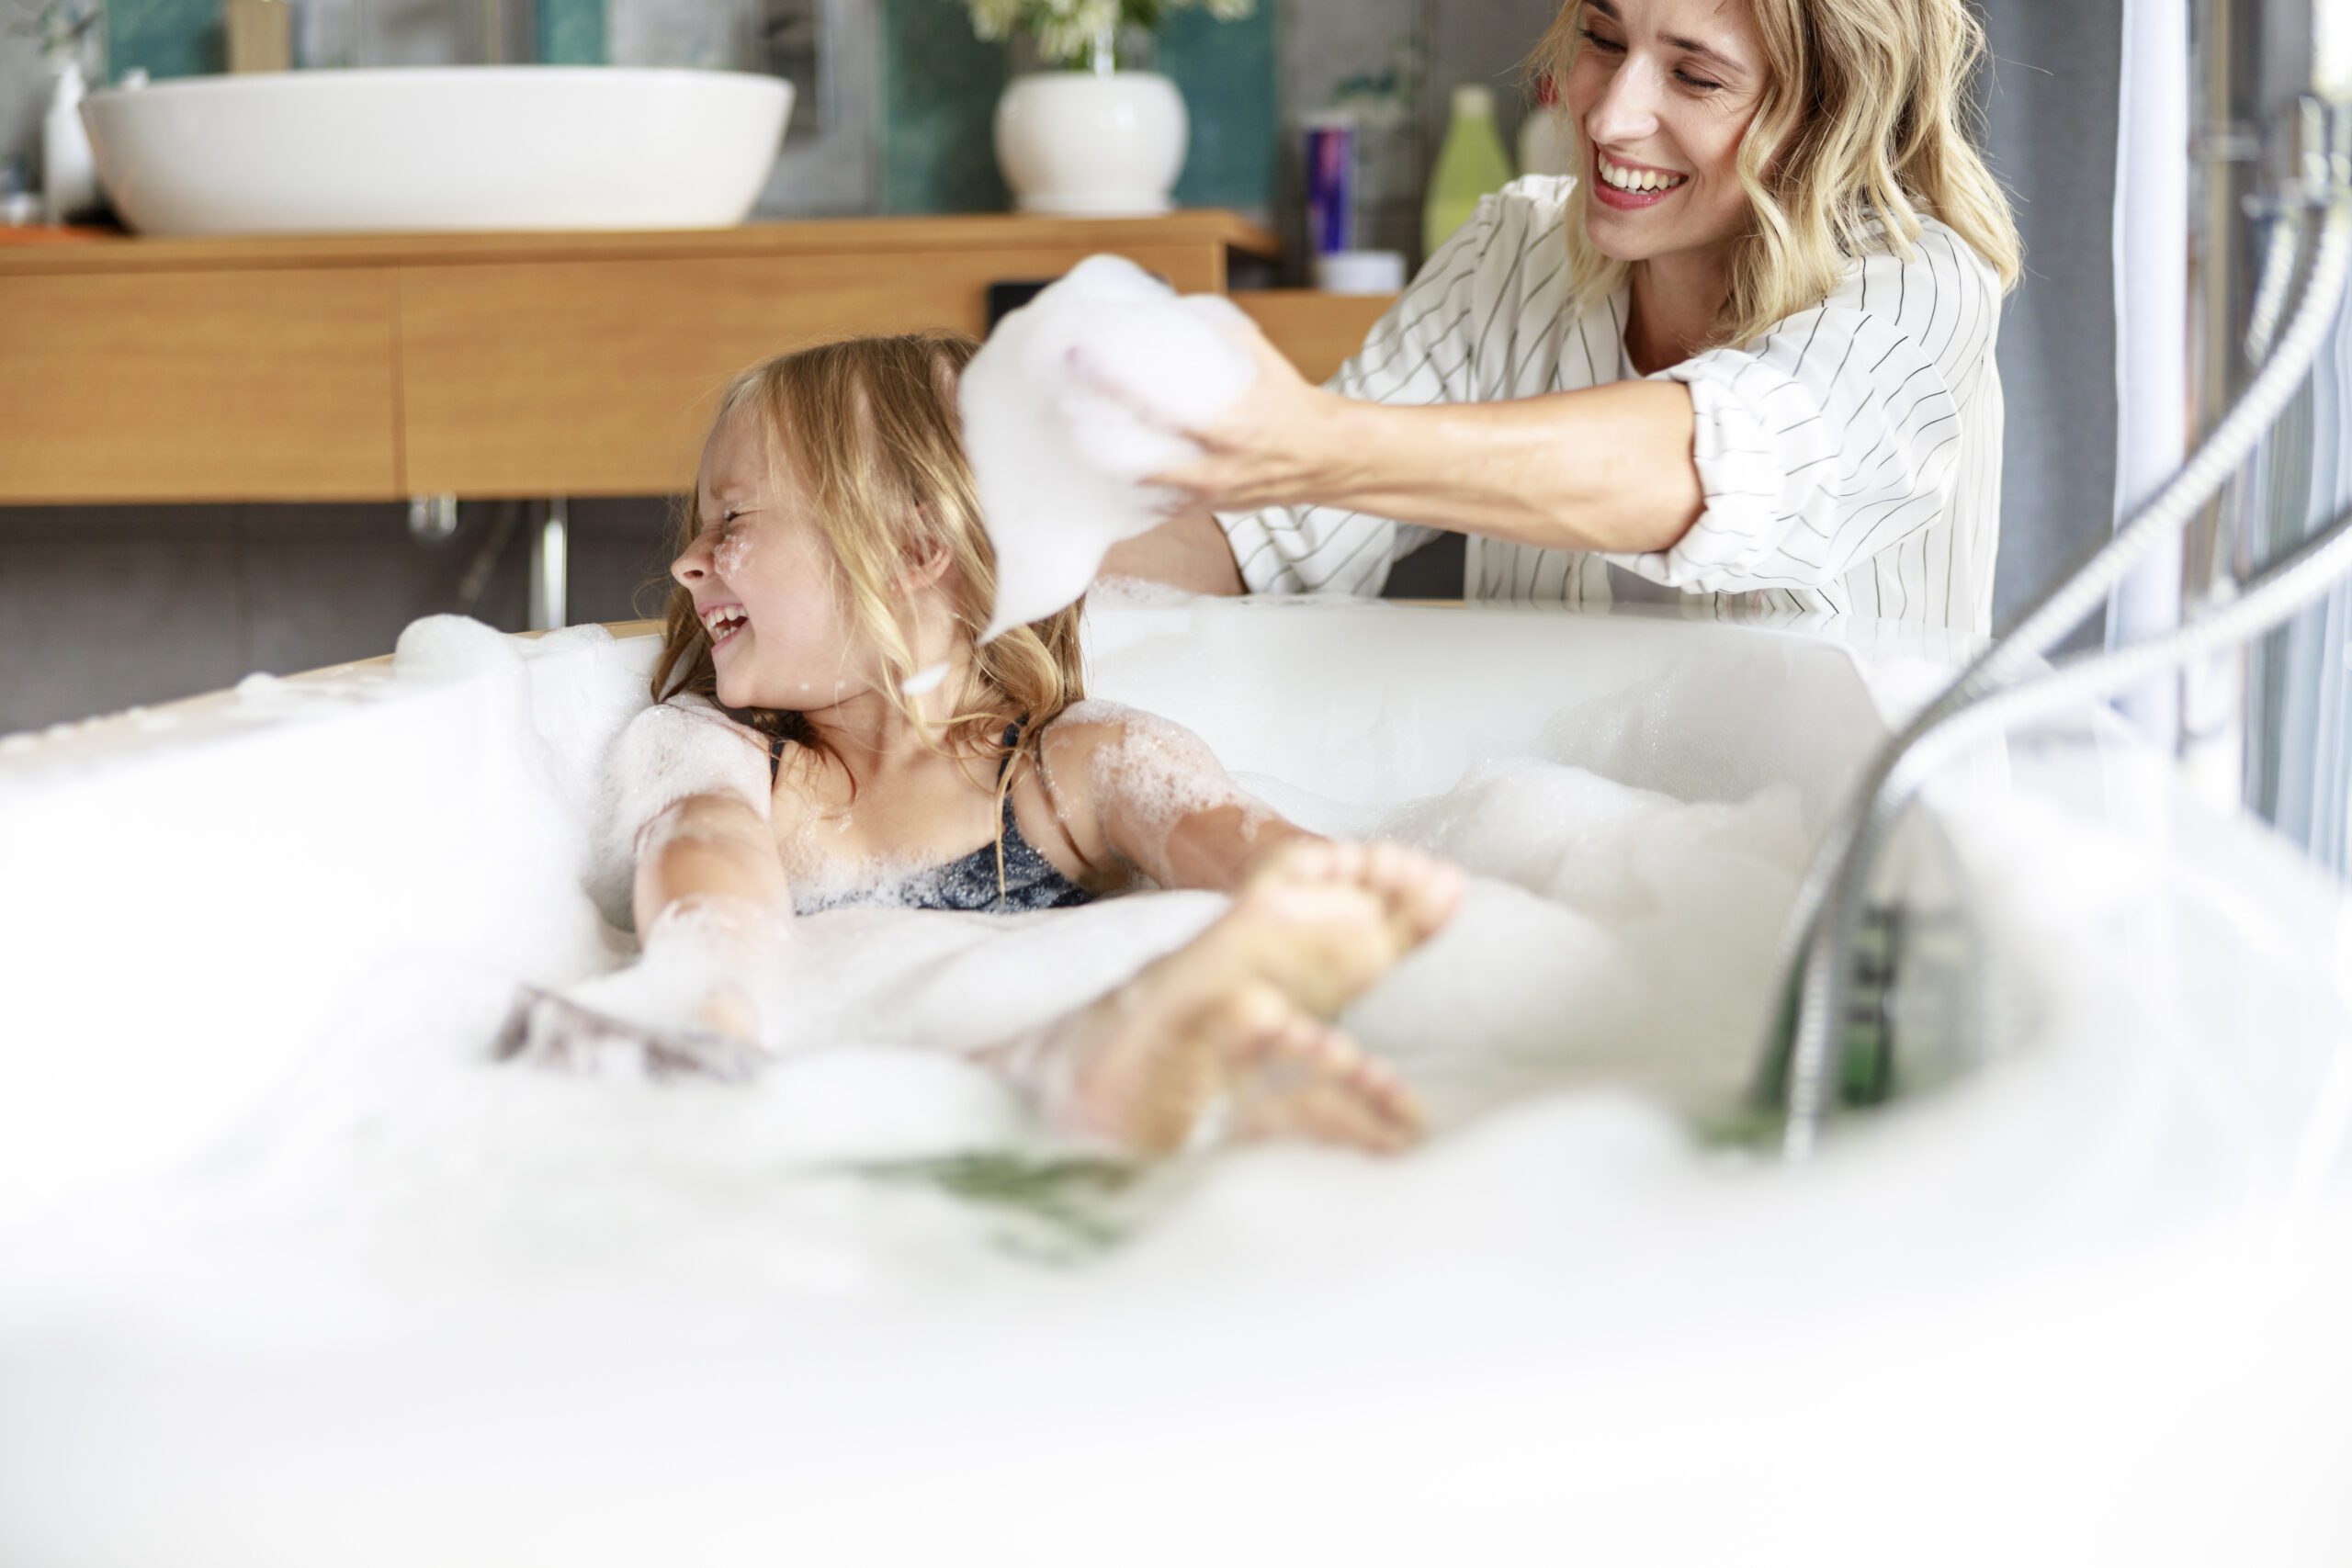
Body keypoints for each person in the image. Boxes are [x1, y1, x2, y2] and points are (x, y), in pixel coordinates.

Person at [554, 332, 1464, 1157]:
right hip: (829, 1118)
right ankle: (1089, 1055)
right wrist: (712, 1015)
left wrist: (1325, 918)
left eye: (733, 520)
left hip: (986, 1141)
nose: (688, 560)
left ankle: (1138, 1053)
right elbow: (706, 860)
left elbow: (1243, 848)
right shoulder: (722, 757)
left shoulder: (1072, 766)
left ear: (914, 548)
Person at [1102, 0, 2023, 633]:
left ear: (1831, 116)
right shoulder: (1512, 251)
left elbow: (1720, 464)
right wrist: (1002, 571)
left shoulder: (1917, 288)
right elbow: (1269, 540)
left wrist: (1319, 441)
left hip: (1846, 882)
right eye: (1603, 38)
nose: (1611, 117)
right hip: (1569, 860)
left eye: (1695, 78)